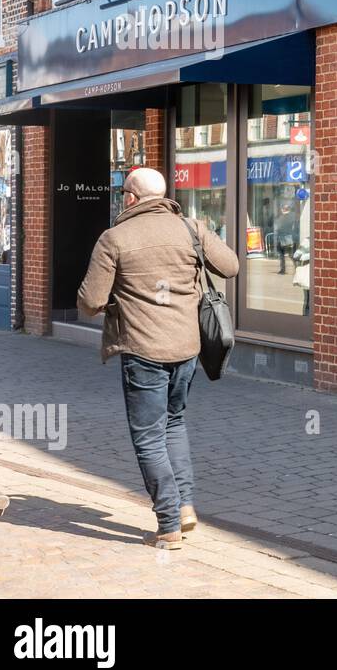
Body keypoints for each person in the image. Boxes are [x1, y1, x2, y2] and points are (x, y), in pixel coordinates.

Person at [77, 167, 239, 549]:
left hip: (142, 349)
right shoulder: (190, 227)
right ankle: (184, 506)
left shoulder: (113, 238)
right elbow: (230, 266)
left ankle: (168, 522)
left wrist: (122, 297)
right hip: (186, 348)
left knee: (149, 437)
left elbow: (89, 302)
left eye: (123, 193)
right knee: (174, 424)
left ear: (130, 198)